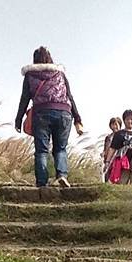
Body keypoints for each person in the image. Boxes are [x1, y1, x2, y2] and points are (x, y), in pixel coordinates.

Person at [15, 46, 83, 188]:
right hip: (64, 112)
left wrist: (19, 118)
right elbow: (69, 96)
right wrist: (78, 119)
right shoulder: (59, 73)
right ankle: (62, 176)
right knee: (60, 148)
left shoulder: (30, 75)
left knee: (41, 150)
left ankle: (42, 182)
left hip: (42, 112)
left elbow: (25, 98)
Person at [105, 109, 132, 185]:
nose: (130, 121)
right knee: (120, 185)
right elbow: (112, 149)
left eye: (131, 119)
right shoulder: (119, 134)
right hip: (122, 166)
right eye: (127, 119)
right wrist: (107, 162)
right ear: (124, 121)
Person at [101, 117, 122, 182]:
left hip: (118, 158)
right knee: (107, 175)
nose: (114, 126)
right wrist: (103, 153)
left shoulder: (122, 135)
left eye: (116, 124)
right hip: (108, 159)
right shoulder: (108, 137)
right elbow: (106, 148)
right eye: (113, 124)